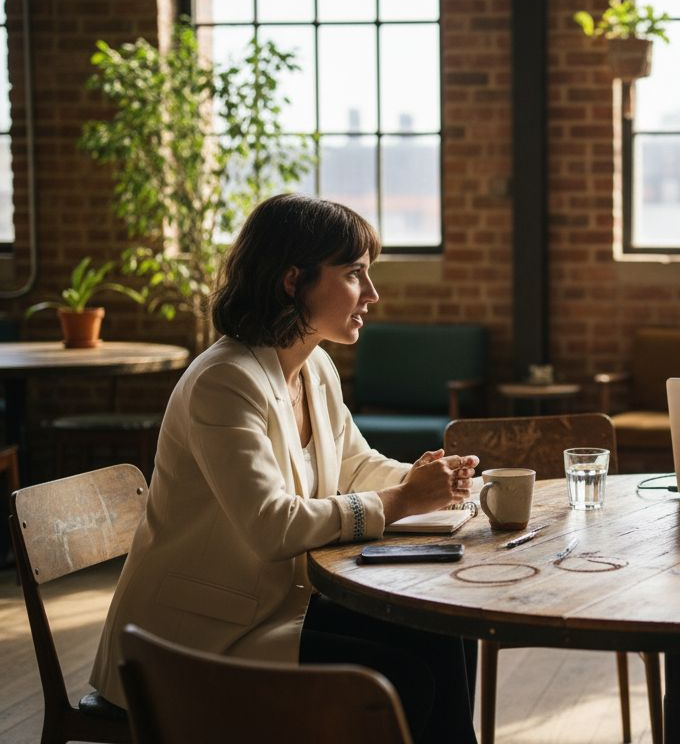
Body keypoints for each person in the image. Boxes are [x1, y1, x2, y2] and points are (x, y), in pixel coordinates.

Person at [89, 194, 482, 743]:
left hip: (275, 607)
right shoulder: (223, 382)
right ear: (293, 281)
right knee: (403, 677)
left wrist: (427, 483)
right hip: (191, 639)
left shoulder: (313, 365)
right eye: (354, 275)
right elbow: (273, 526)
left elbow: (355, 463)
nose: (371, 294)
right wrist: (401, 501)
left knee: (442, 630)